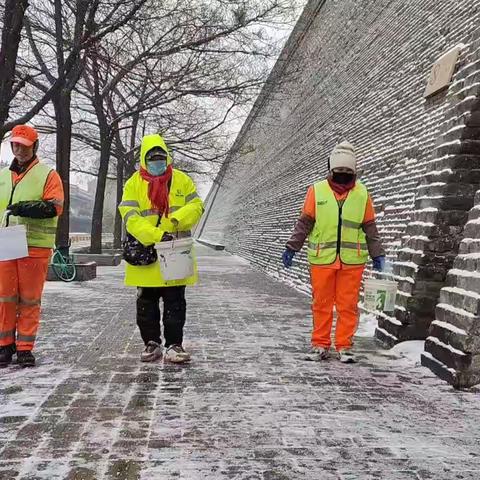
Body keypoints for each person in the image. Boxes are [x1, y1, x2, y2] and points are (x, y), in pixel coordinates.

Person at [282, 141, 385, 363]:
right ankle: (320, 344)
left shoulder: (362, 194)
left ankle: (345, 346)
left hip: (352, 261)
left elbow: (370, 227)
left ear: (354, 172)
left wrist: (378, 254)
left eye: (348, 173)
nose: (343, 177)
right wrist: (292, 247)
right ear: (331, 170)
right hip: (322, 259)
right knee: (322, 304)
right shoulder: (316, 191)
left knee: (347, 306)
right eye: (339, 172)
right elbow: (304, 223)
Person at [119, 133, 204, 364]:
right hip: (148, 252)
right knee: (146, 302)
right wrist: (157, 235)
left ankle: (174, 344)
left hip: (175, 251)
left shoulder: (182, 180)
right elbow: (130, 216)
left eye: (161, 157)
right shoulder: (133, 184)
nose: (157, 162)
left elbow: (197, 206)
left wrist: (176, 220)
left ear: (167, 158)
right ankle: (152, 343)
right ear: (144, 160)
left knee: (175, 301)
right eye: (152, 158)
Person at [0, 125, 64, 367]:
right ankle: (5, 345)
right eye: (15, 145)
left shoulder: (48, 175)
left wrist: (27, 207)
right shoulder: (3, 176)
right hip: (6, 244)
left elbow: (55, 207)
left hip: (34, 247)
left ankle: (25, 347)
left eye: (24, 146)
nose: (19, 150)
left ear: (34, 147)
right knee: (4, 297)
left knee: (29, 299)